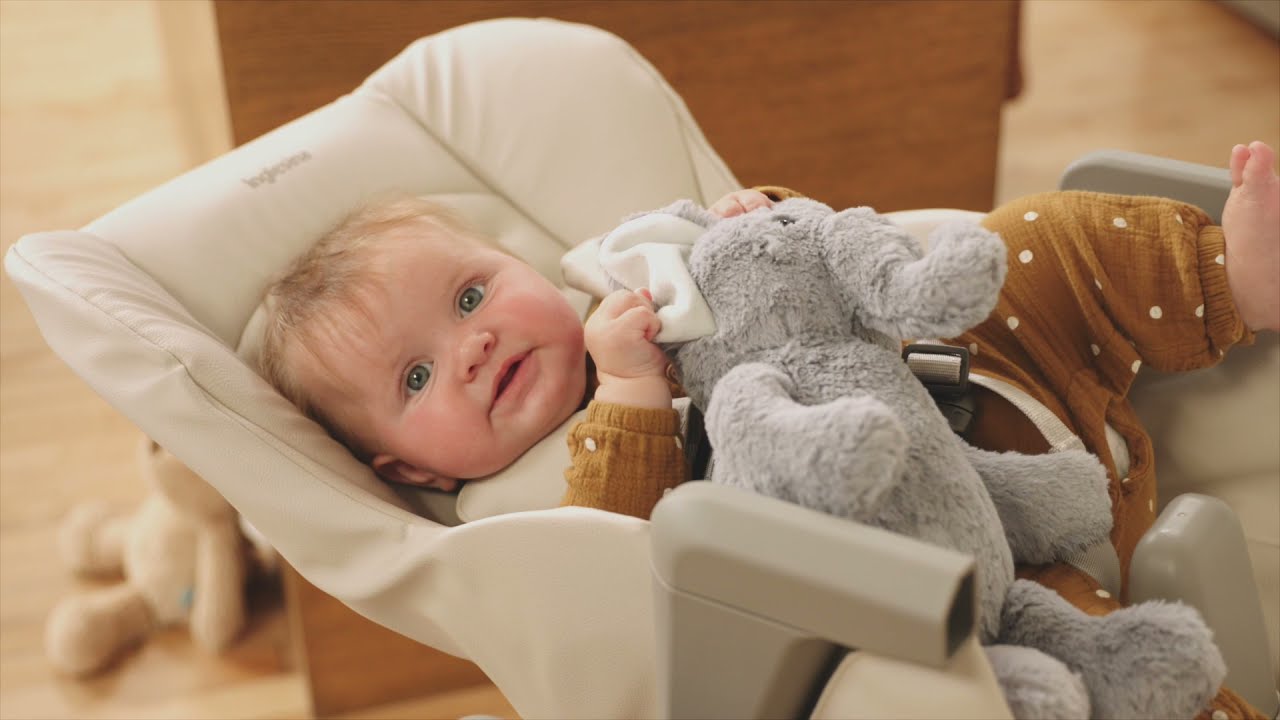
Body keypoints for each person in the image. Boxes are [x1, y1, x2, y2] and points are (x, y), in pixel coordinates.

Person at [259, 142, 1277, 716]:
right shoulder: (508, 501)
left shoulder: (624, 272)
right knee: (1098, 675)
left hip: (970, 391)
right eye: (419, 372)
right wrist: (627, 392)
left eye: (472, 295)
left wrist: (759, 217)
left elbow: (805, 267)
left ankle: (1225, 278)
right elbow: (607, 560)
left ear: (523, 267)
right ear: (405, 465)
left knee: (1016, 241)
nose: (471, 346)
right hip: (960, 556)